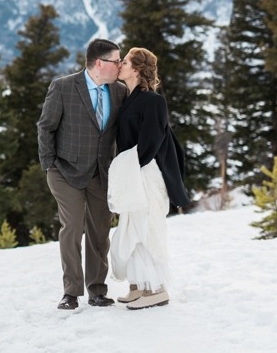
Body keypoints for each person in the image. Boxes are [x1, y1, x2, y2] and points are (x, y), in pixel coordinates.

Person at [37, 38, 128, 310]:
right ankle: (71, 292)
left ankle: (97, 290)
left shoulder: (119, 92)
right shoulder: (64, 87)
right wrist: (49, 164)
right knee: (73, 227)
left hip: (102, 173)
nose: (120, 65)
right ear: (100, 63)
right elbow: (46, 127)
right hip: (65, 171)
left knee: (100, 231)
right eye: (116, 60)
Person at [108, 47, 190, 310]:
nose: (119, 64)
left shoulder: (153, 100)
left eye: (125, 61)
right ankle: (140, 285)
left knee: (146, 229)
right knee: (132, 229)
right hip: (133, 171)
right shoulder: (129, 97)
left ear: (137, 69)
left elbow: (151, 142)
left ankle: (156, 289)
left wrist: (125, 165)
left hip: (145, 172)